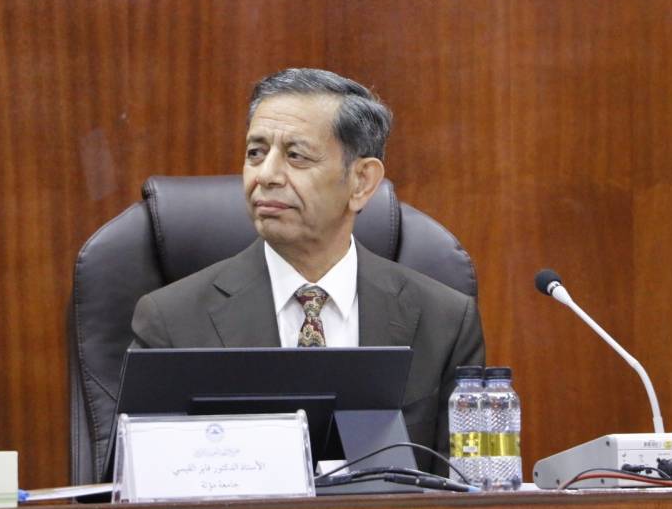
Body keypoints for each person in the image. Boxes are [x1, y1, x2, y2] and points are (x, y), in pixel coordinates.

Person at [130, 68, 485, 473]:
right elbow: (149, 489)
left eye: (296, 156)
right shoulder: (172, 321)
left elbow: (468, 491)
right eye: (255, 153)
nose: (266, 175)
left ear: (361, 182)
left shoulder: (444, 321)